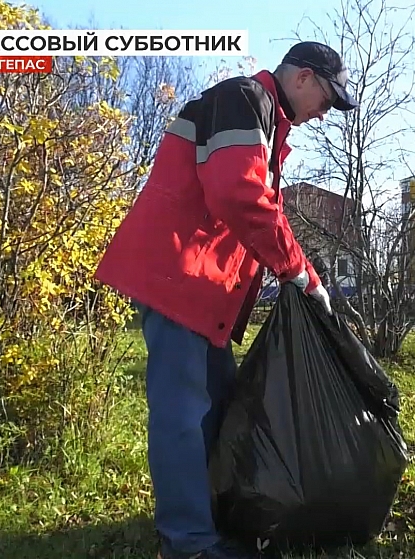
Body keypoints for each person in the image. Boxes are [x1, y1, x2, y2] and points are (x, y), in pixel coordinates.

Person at [93, 41, 359, 559]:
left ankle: (209, 521)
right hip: (178, 277)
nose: (324, 113)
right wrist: (300, 273)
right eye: (326, 100)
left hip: (199, 288)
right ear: (302, 78)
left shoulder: (264, 120)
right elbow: (237, 194)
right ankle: (189, 543)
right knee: (185, 416)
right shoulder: (245, 100)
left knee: (215, 407)